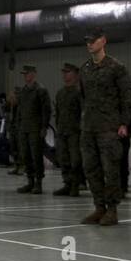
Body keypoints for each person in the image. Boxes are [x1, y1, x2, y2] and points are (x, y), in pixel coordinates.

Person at [77, 28, 131, 226]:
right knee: (91, 169)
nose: (89, 44)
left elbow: (127, 97)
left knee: (110, 170)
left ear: (103, 41)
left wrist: (124, 123)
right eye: (87, 41)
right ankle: (99, 207)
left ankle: (112, 210)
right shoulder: (85, 69)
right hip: (89, 128)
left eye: (93, 41)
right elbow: (83, 97)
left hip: (109, 128)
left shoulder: (116, 67)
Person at [14, 65, 51, 194]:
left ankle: (38, 183)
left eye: (27, 73)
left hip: (35, 128)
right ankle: (30, 182)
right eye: (24, 74)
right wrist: (18, 125)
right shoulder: (23, 91)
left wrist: (44, 127)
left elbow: (46, 110)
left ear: (33, 74)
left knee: (36, 156)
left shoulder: (40, 90)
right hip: (24, 128)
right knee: (25, 156)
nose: (25, 76)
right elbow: (19, 110)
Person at [53, 63, 83, 196]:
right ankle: (67, 184)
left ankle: (75, 185)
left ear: (75, 75)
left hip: (75, 132)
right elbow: (58, 113)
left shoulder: (79, 93)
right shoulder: (60, 93)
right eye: (64, 72)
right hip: (62, 131)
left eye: (68, 72)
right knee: (63, 159)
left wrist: (82, 131)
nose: (65, 75)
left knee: (75, 160)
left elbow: (83, 113)